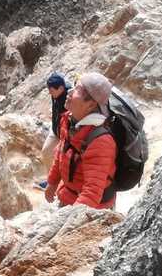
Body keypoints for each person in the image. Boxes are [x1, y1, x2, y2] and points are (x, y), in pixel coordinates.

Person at [45, 72, 117, 210]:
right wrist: (52, 182)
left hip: (93, 210)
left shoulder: (101, 141)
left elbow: (92, 192)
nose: (69, 92)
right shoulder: (70, 120)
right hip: (70, 198)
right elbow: (61, 152)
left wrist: (70, 219)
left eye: (77, 90)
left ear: (90, 105)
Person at [36, 71, 69, 190]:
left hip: (66, 133)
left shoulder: (70, 98)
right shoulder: (55, 93)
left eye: (51, 90)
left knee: (65, 159)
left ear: (61, 88)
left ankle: (62, 184)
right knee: (46, 151)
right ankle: (51, 181)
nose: (49, 93)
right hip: (55, 129)